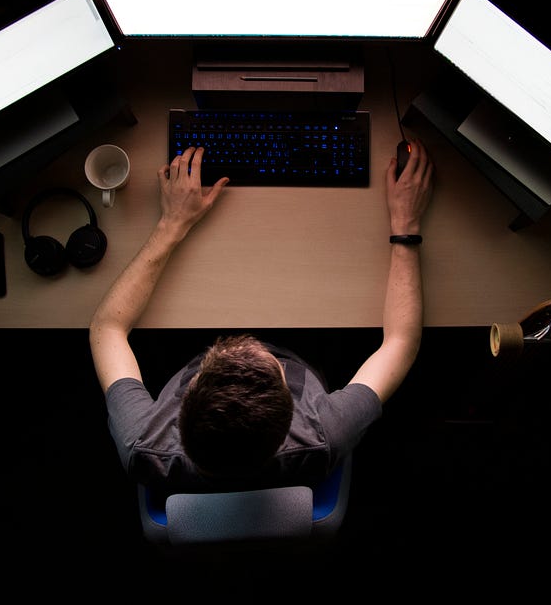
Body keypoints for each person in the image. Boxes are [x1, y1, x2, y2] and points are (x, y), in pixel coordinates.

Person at [89, 140, 434, 492]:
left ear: (187, 395)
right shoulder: (323, 434)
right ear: (290, 414)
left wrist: (172, 223)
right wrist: (406, 223)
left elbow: (107, 327)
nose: (257, 343)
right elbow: (401, 342)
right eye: (274, 367)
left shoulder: (141, 445)